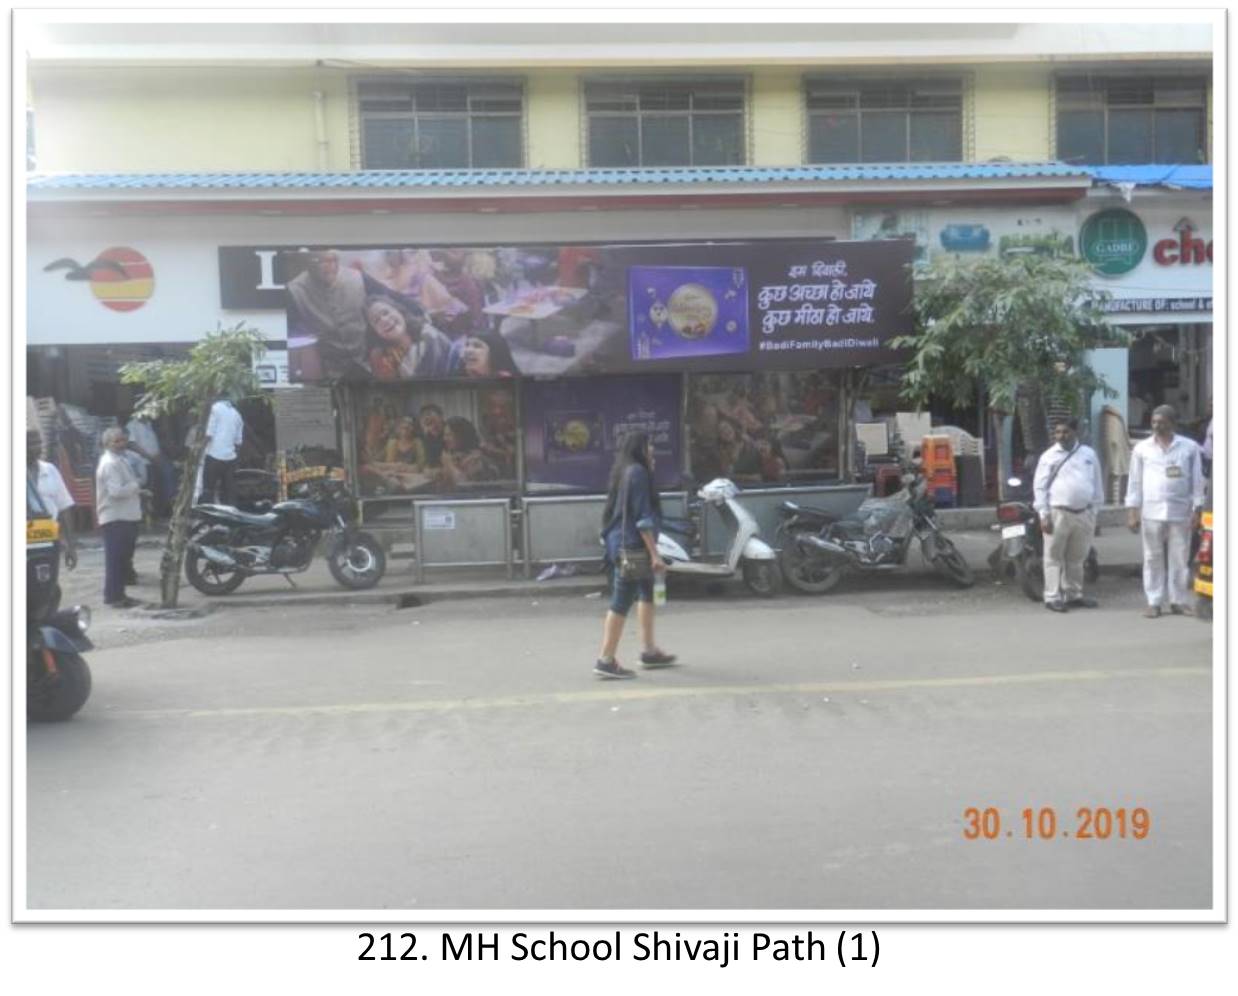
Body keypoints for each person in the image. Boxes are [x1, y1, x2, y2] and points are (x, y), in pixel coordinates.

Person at [594, 431, 676, 679]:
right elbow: (642, 518)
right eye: (649, 445)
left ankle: (649, 651)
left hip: (624, 543)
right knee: (621, 600)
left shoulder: (625, 471)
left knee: (647, 591)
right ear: (640, 447)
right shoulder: (638, 473)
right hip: (632, 547)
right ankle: (605, 660)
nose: (652, 450)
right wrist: (655, 555)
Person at [1125, 405, 1206, 618]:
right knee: (1152, 558)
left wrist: (1198, 509)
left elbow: (1197, 481)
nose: (1156, 426)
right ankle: (1154, 602)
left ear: (1172, 423)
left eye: (1161, 422)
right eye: (1153, 422)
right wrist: (1132, 512)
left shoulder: (1189, 447)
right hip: (1151, 511)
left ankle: (1178, 601)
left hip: (1181, 511)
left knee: (1179, 558)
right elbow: (1134, 481)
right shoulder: (1142, 448)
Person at [1033, 416, 1105, 613]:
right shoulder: (1048, 456)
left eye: (1065, 432)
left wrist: (1095, 511)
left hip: (1085, 514)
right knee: (1053, 557)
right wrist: (1043, 514)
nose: (1061, 436)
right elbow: (1039, 487)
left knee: (1076, 558)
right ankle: (1052, 596)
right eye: (1057, 432)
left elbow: (1097, 483)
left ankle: (1073, 594)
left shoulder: (1088, 454)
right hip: (1058, 513)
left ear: (1076, 432)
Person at [285, 249, 371, 378]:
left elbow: (393, 300)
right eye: (321, 261)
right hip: (328, 373)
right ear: (308, 264)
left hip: (367, 365)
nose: (329, 266)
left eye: (333, 260)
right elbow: (295, 340)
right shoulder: (295, 292)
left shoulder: (357, 277)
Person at [96, 427, 143, 608]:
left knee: (121, 558)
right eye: (116, 441)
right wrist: (135, 485)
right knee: (116, 559)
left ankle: (119, 594)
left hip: (123, 516)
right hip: (116, 517)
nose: (121, 444)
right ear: (107, 444)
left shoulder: (118, 460)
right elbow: (116, 492)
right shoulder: (110, 463)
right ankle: (114, 596)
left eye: (122, 440)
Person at [364, 294, 453, 380]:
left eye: (386, 313)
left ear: (399, 311)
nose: (384, 320)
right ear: (375, 333)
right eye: (376, 320)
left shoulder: (429, 335)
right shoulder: (385, 360)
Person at [26, 429, 77, 570]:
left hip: (47, 536)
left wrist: (70, 546)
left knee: (48, 585)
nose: (37, 447)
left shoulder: (50, 470)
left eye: (39, 442)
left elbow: (64, 508)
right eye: (30, 443)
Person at [125, 412, 174, 517]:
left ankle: (159, 511)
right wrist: (149, 456)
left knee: (157, 488)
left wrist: (158, 456)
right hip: (143, 462)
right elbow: (132, 445)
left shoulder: (148, 424)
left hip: (154, 461)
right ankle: (147, 515)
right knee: (148, 490)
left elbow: (153, 443)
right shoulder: (132, 425)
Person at [203, 397, 244, 506]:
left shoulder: (215, 408)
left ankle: (208, 519)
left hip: (213, 455)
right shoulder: (238, 415)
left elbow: (208, 434)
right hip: (230, 458)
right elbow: (238, 443)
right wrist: (235, 460)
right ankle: (230, 518)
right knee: (229, 492)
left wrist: (199, 450)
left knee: (208, 489)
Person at [438, 417, 500, 487]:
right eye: (444, 435)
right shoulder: (456, 455)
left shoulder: (477, 459)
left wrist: (449, 464)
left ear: (461, 436)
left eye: (449, 435)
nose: (445, 438)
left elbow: (465, 486)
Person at [450, 329, 519, 378]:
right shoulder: (456, 377)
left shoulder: (508, 381)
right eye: (467, 345)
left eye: (477, 346)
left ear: (493, 353)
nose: (468, 350)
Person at [417, 404, 447, 469]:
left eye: (434, 420)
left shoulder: (450, 432)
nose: (432, 426)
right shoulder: (423, 436)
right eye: (428, 423)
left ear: (441, 417)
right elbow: (426, 463)